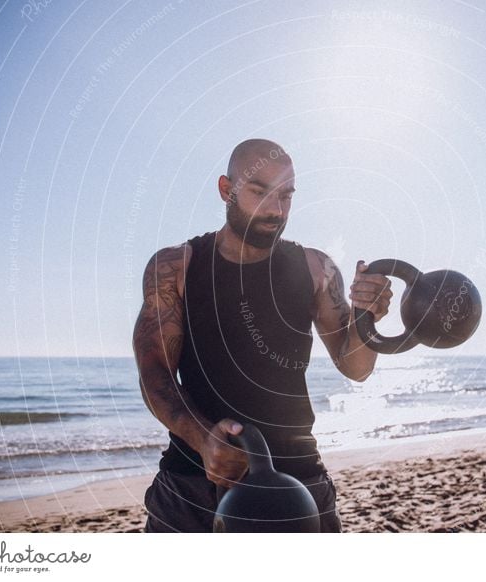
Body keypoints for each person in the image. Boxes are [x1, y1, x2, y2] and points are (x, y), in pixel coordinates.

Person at [133, 139, 393, 532]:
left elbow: (356, 367)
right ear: (226, 189)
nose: (276, 210)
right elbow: (155, 373)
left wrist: (366, 316)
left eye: (287, 196)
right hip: (193, 485)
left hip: (299, 483)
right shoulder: (176, 267)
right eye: (260, 193)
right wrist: (204, 441)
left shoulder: (315, 268)